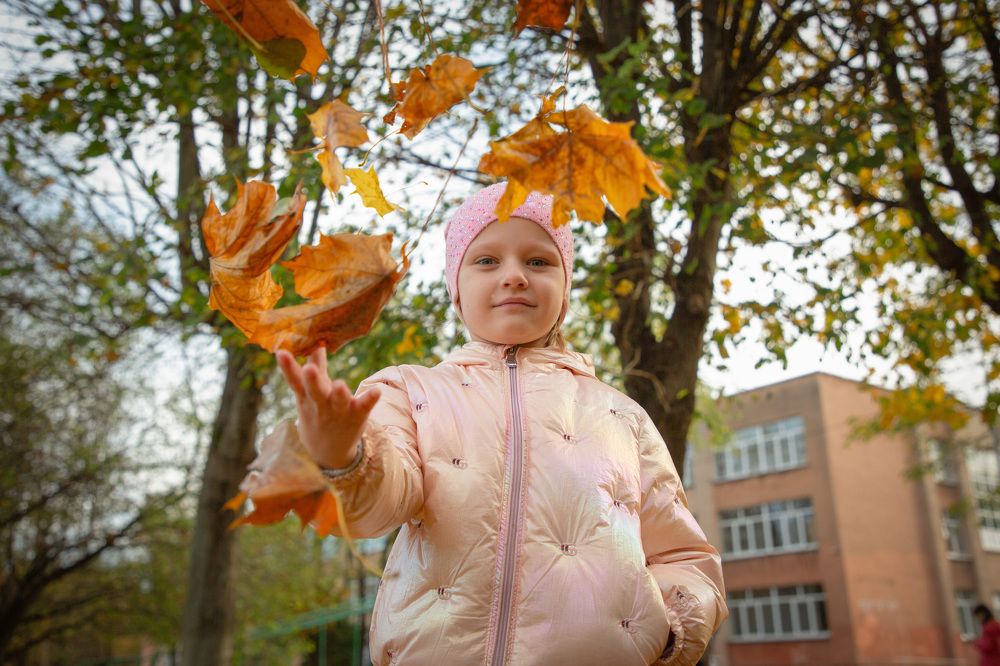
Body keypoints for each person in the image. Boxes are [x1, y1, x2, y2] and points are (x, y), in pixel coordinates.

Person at [275, 182, 727, 665]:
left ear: (565, 286)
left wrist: (670, 629)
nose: (514, 276)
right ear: (457, 290)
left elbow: (684, 556)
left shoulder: (622, 416)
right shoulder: (407, 392)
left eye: (538, 261)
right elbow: (378, 508)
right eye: (487, 261)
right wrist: (345, 456)